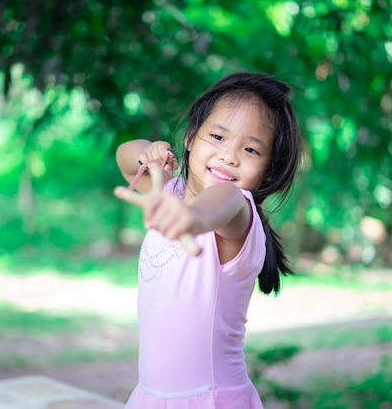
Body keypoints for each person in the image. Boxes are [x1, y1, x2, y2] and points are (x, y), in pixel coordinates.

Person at [114, 71, 301, 409]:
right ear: (189, 138)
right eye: (217, 136)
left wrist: (194, 218)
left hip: (209, 400)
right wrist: (150, 154)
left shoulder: (238, 212)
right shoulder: (169, 191)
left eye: (250, 149)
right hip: (151, 398)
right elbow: (125, 157)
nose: (229, 156)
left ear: (268, 171)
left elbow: (224, 201)